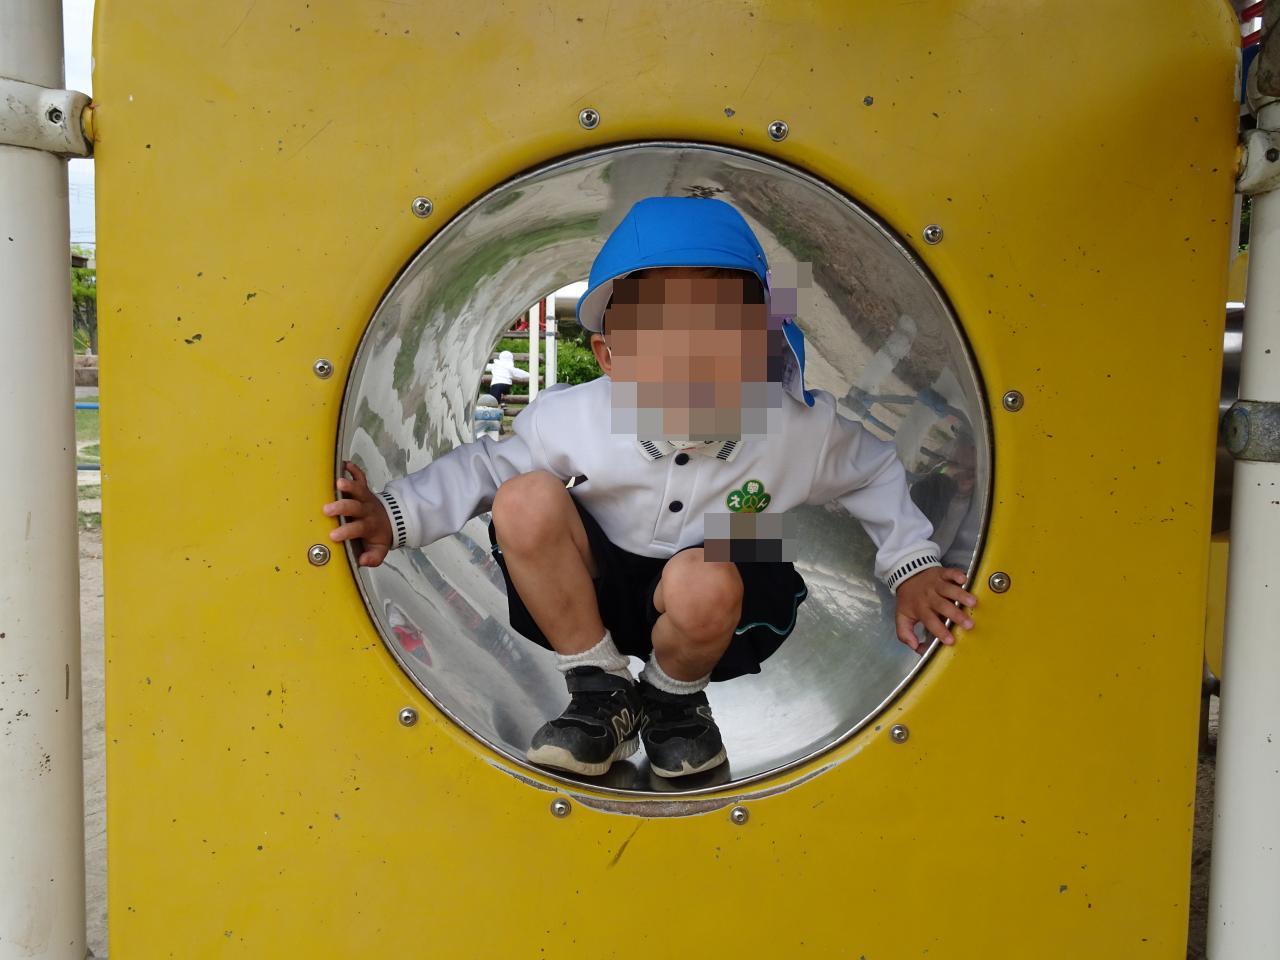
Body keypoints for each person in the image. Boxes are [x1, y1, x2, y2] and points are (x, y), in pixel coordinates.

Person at [322, 197, 977, 779]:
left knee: (709, 572)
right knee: (523, 498)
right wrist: (395, 513)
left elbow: (873, 467)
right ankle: (599, 688)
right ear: (610, 359)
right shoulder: (572, 417)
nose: (693, 369)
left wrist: (911, 565)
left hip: (728, 578)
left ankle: (673, 702)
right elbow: (483, 470)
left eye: (722, 342)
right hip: (602, 581)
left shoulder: (795, 428)